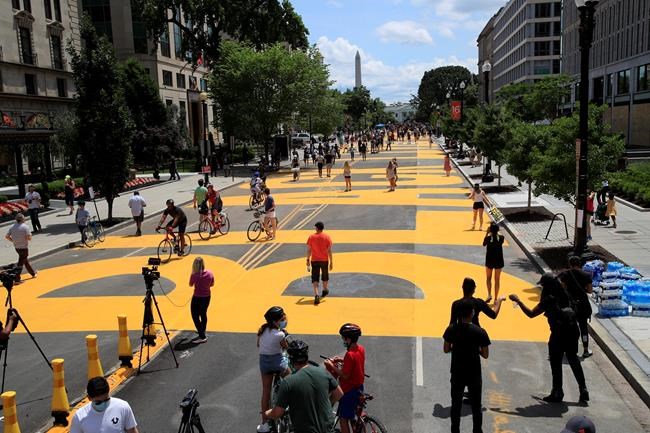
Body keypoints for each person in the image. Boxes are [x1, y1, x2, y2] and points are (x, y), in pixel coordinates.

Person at [510, 273, 589, 403]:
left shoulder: (549, 299)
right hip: (573, 331)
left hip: (558, 333)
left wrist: (518, 301)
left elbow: (531, 314)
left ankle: (557, 391)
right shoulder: (565, 294)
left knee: (556, 362)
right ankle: (583, 389)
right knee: (573, 359)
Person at [265, 340, 343, 433]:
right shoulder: (323, 373)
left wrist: (267, 413)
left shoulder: (288, 382)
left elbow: (277, 413)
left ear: (291, 359)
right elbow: (339, 394)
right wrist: (328, 404)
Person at [443, 299, 490, 433]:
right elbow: (485, 354)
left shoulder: (451, 329)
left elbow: (446, 349)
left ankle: (455, 430)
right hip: (474, 372)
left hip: (457, 371)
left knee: (456, 405)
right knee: (476, 406)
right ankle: (477, 430)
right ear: (472, 313)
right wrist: (476, 350)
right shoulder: (480, 331)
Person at [324, 324, 365, 433]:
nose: (343, 340)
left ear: (348, 339)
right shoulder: (361, 349)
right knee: (353, 413)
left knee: (343, 419)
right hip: (359, 387)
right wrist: (342, 361)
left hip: (348, 390)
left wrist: (331, 365)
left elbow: (345, 375)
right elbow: (356, 363)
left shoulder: (349, 355)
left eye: (343, 338)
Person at [256, 306, 290, 433]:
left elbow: (258, 344)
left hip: (264, 362)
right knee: (292, 380)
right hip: (277, 362)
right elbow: (286, 347)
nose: (283, 320)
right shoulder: (280, 334)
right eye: (282, 319)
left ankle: (264, 423)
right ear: (276, 322)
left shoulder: (262, 331)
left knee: (266, 391)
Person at [70, 376, 139, 433]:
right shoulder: (79, 417)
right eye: (98, 402)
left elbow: (132, 431)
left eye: (106, 400)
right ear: (89, 398)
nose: (103, 404)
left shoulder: (122, 407)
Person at [559, 256, 594, 358]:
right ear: (580, 264)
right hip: (583, 304)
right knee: (583, 327)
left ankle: (569, 348)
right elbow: (590, 290)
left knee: (570, 327)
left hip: (570, 304)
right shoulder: (586, 275)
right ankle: (586, 350)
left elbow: (563, 288)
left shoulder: (565, 274)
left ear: (570, 264)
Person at [306, 221, 333, 305]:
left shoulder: (311, 237)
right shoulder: (327, 237)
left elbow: (309, 250)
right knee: (325, 275)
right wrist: (331, 262)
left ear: (317, 228)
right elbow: (329, 251)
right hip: (324, 260)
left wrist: (307, 260)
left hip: (314, 260)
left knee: (315, 278)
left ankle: (316, 294)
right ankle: (325, 289)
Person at [189, 257, 213, 344]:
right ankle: (202, 330)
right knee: (203, 313)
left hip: (197, 297)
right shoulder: (210, 273)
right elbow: (212, 284)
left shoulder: (194, 275)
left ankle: (202, 336)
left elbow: (190, 284)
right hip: (207, 296)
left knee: (195, 315)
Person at [5, 214, 36, 279]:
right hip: (24, 247)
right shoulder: (25, 227)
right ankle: (16, 277)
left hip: (17, 247)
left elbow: (7, 236)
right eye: (24, 218)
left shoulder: (12, 227)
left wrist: (13, 240)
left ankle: (33, 273)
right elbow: (29, 238)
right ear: (22, 219)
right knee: (20, 263)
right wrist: (29, 236)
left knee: (25, 260)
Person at [483, 223, 505, 303]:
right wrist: (496, 231)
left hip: (489, 260)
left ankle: (489, 294)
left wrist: (487, 232)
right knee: (497, 280)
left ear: (490, 230)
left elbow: (484, 244)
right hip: (499, 260)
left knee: (488, 278)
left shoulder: (488, 238)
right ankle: (496, 298)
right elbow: (499, 235)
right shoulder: (501, 238)